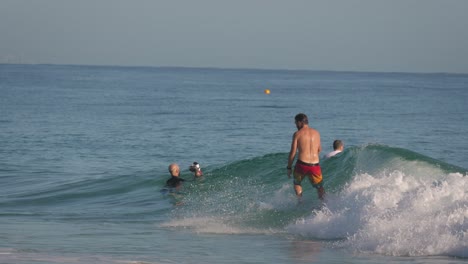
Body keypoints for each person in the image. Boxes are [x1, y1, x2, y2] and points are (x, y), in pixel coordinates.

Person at [287, 113, 325, 201]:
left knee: (297, 183)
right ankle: (324, 204)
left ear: (300, 122)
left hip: (302, 165)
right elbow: (319, 149)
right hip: (315, 165)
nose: (295, 125)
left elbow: (293, 152)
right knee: (320, 187)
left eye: (296, 122)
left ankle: (300, 203)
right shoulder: (317, 133)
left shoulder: (297, 134)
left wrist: (289, 167)